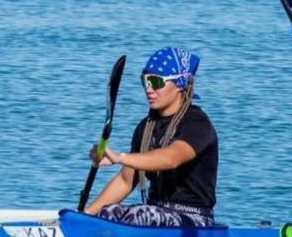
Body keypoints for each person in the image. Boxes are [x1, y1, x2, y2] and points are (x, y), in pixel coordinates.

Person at [84, 47, 219, 227]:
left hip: (194, 220)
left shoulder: (197, 123)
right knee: (108, 212)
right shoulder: (145, 128)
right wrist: (86, 216)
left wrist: (119, 157)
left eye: (156, 81)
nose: (149, 89)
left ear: (180, 83)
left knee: (131, 215)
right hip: (154, 212)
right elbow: (125, 181)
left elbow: (172, 158)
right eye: (145, 81)